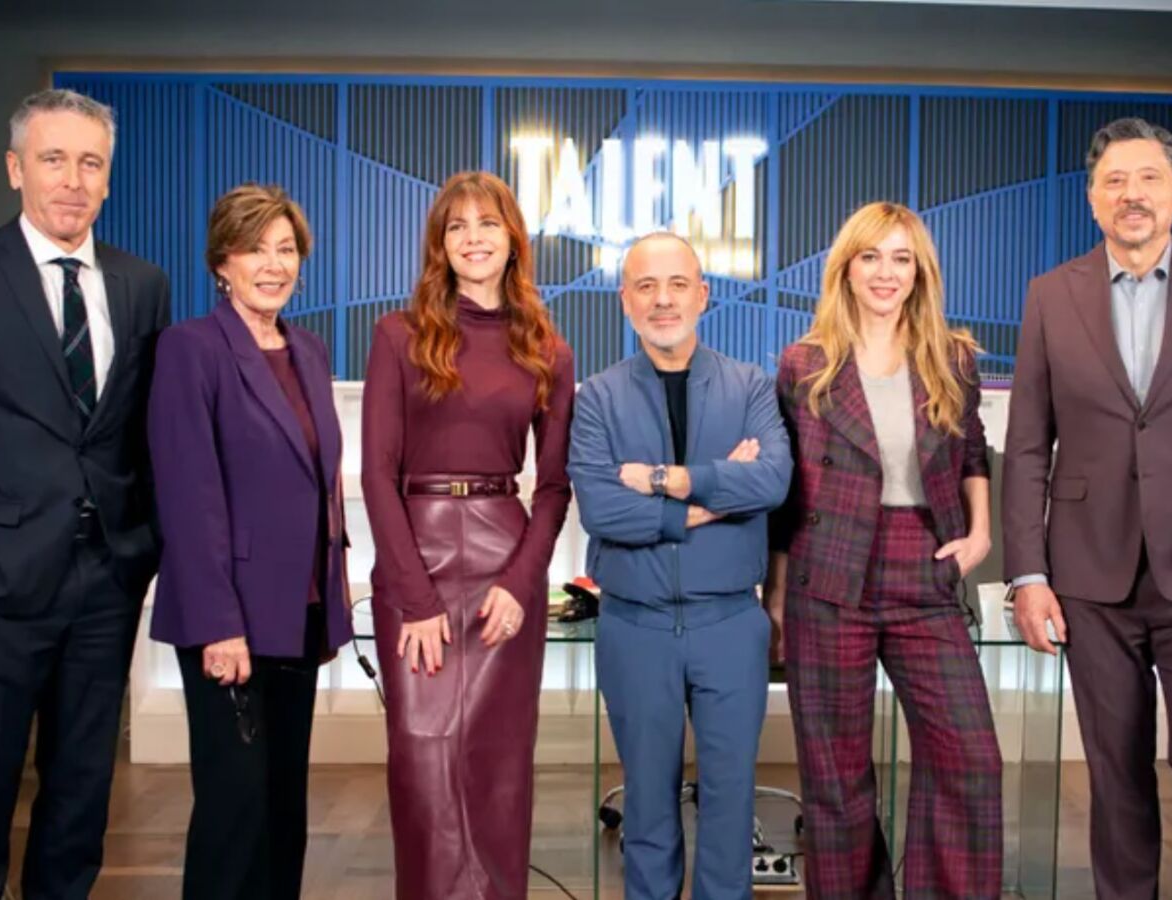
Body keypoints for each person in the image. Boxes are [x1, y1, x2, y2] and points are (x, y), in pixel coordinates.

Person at [1002, 117, 1172, 900]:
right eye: (1115, 181)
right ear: (1092, 199)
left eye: (1149, 178)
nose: (1133, 194)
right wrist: (1028, 575)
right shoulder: (1051, 295)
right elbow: (1027, 446)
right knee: (1115, 767)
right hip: (1090, 572)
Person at [0, 88, 172, 900]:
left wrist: (143, 551)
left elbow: (143, 433)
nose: (73, 180)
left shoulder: (141, 285)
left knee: (78, 804)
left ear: (108, 178)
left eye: (90, 163)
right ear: (14, 168)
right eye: (54, 159)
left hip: (105, 583)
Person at [766, 201, 1001, 898]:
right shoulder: (805, 364)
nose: (885, 272)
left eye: (901, 258)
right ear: (846, 268)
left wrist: (980, 532)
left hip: (922, 564)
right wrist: (775, 593)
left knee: (970, 760)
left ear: (920, 272)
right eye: (870, 256)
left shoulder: (951, 358)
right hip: (825, 571)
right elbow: (786, 492)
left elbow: (973, 453)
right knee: (836, 779)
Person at [361, 170, 575, 899]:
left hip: (502, 563)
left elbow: (553, 487)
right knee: (421, 762)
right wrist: (416, 600)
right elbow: (376, 475)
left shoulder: (548, 348)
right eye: (457, 226)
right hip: (414, 560)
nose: (473, 238)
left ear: (513, 239)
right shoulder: (398, 335)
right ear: (440, 244)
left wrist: (520, 584)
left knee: (497, 761)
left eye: (488, 224)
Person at [567, 232, 791, 900]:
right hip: (634, 626)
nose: (662, 300)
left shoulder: (751, 386)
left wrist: (662, 481)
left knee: (730, 800)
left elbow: (772, 482)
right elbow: (602, 509)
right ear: (625, 301)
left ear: (703, 294)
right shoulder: (597, 397)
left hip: (730, 623)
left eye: (677, 285)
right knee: (647, 803)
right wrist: (712, 498)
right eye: (646, 286)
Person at [148, 184, 352, 900]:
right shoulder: (191, 349)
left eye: (286, 249)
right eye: (254, 249)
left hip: (300, 611)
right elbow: (188, 494)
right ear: (221, 263)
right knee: (233, 809)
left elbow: (318, 481)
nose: (273, 265)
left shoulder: (308, 350)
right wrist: (218, 624)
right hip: (228, 618)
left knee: (282, 807)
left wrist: (334, 594)